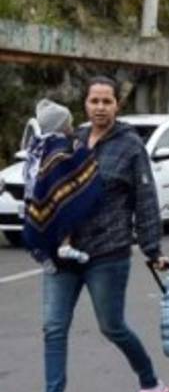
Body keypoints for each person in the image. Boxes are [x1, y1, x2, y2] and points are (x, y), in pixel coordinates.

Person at [19, 77, 169, 392]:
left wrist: (153, 250)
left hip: (108, 251)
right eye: (94, 100)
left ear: (117, 105)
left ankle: (152, 386)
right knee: (53, 327)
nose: (100, 107)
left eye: (107, 101)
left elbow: (146, 200)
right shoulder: (70, 139)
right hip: (64, 252)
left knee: (112, 326)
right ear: (84, 105)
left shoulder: (130, 146)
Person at [21, 99, 97, 268]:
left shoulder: (37, 144)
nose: (72, 126)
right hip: (50, 192)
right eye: (69, 123)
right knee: (67, 204)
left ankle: (43, 254)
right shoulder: (58, 145)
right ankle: (65, 244)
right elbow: (67, 168)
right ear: (60, 126)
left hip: (35, 194)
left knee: (43, 221)